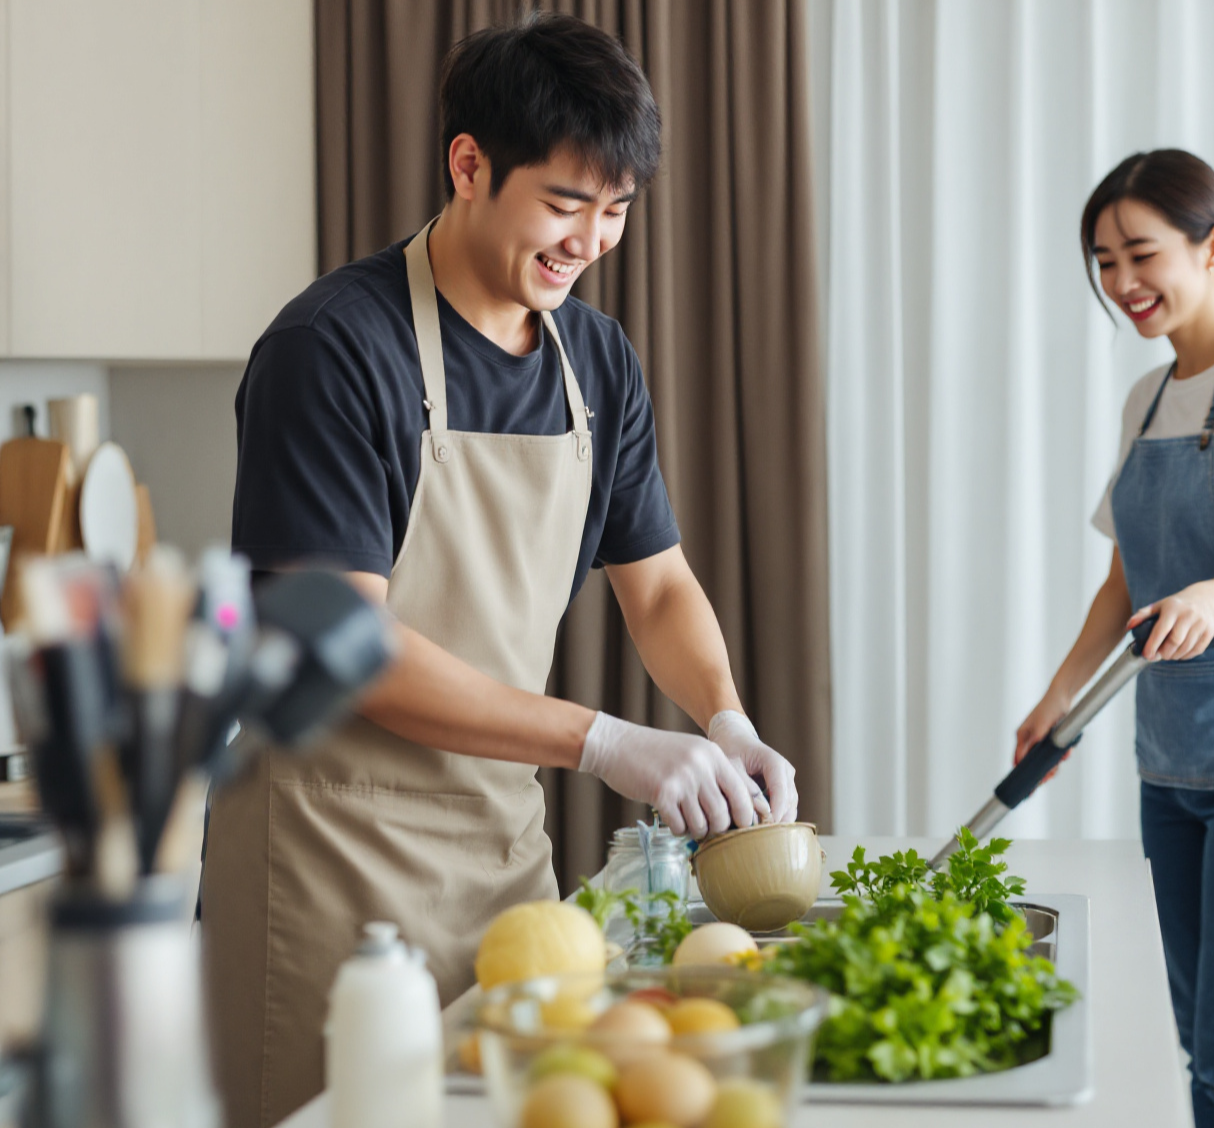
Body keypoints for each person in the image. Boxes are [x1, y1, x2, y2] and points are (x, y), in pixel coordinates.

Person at [200, 15, 797, 1127]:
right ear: (468, 163)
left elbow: (658, 585)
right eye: (567, 204)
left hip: (502, 867)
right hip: (329, 867)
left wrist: (722, 716)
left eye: (616, 211)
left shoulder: (596, 364)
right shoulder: (333, 349)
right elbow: (347, 645)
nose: (593, 241)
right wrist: (605, 740)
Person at [1014, 150, 1214, 1128]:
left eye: (1141, 254)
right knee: (1211, 1044)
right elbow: (1124, 579)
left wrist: (1211, 597)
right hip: (1173, 756)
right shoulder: (1149, 399)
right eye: (1104, 261)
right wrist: (1057, 698)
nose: (1122, 284)